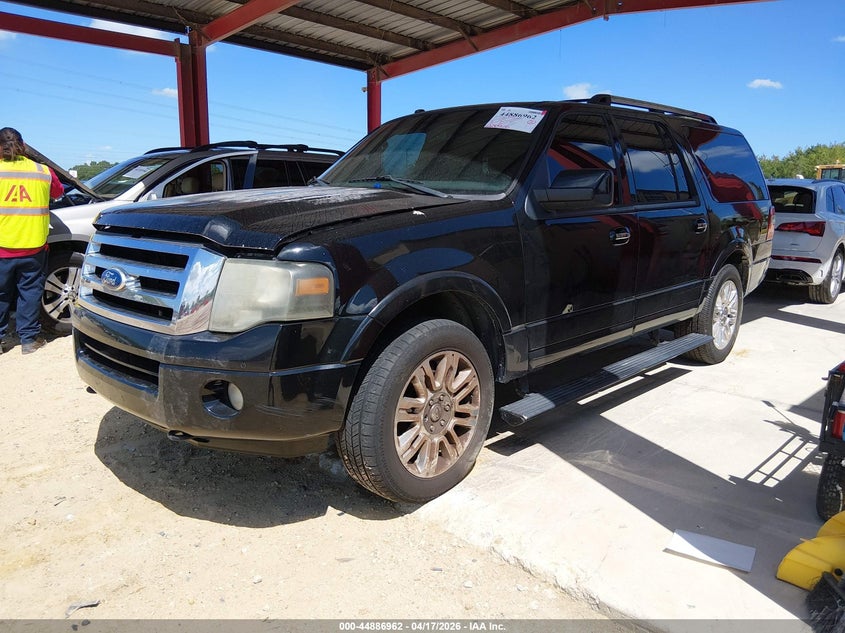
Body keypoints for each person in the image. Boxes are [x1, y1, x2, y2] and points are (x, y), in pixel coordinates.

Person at [0, 127, 64, 354]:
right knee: (30, 292)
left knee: (1, 293)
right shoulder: (43, 171)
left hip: (2, 247)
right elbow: (58, 193)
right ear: (24, 146)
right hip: (33, 245)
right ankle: (28, 341)